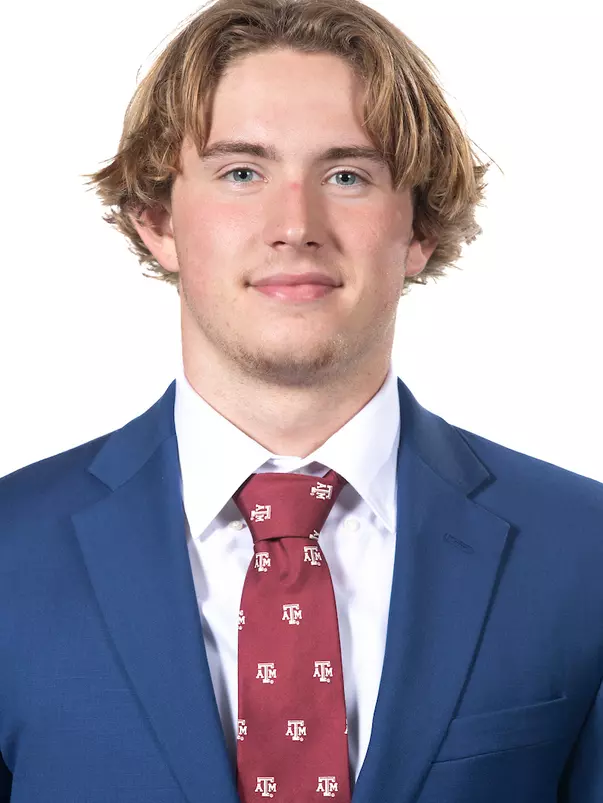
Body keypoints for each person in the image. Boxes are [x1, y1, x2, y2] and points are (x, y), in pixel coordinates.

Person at [0, 0, 601, 800]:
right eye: (241, 172)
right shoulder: (11, 549)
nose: (295, 224)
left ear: (416, 226)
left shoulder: (581, 551)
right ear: (156, 220)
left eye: (347, 175)